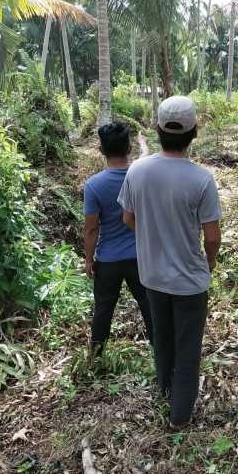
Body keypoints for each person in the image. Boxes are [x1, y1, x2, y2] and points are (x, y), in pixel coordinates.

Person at [118, 96, 222, 429]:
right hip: (189, 282)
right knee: (187, 350)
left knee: (162, 340)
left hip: (152, 277)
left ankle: (164, 391)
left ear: (157, 130)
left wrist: (153, 237)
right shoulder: (201, 180)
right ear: (195, 132)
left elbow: (128, 218)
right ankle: (179, 418)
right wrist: (209, 263)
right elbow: (212, 236)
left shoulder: (137, 170)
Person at [83, 122, 153, 352]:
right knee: (149, 307)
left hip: (108, 260)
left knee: (103, 308)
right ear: (129, 147)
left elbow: (91, 229)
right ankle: (161, 352)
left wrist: (89, 259)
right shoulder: (141, 175)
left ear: (101, 151)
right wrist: (143, 145)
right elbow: (144, 157)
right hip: (140, 257)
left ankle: (95, 355)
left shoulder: (94, 186)